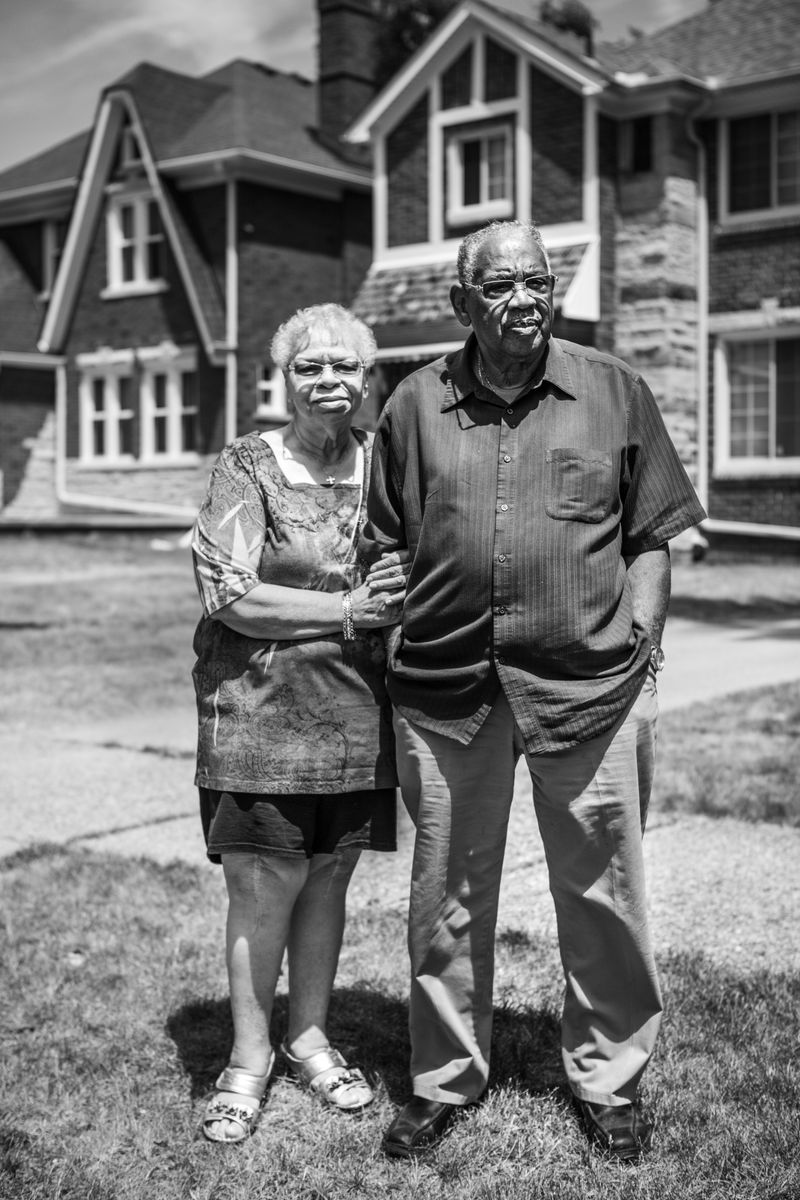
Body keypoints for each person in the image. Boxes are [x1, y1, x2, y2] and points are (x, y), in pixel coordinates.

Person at [361, 220, 707, 1163]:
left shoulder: (614, 390)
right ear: (461, 303)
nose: (524, 300)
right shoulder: (413, 404)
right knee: (447, 895)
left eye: (538, 282)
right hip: (446, 687)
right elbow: (382, 539)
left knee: (604, 893)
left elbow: (651, 535)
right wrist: (390, 635)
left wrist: (644, 642)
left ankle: (609, 1080)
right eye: (501, 285)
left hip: (589, 685)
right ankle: (444, 1077)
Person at [191, 302, 409, 1143]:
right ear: (284, 379)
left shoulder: (384, 464)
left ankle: (309, 1038)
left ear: (367, 377)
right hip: (260, 712)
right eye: (309, 366)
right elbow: (229, 591)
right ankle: (247, 1060)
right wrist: (351, 609)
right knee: (263, 882)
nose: (328, 380)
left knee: (328, 878)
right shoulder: (249, 463)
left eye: (344, 365)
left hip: (357, 714)